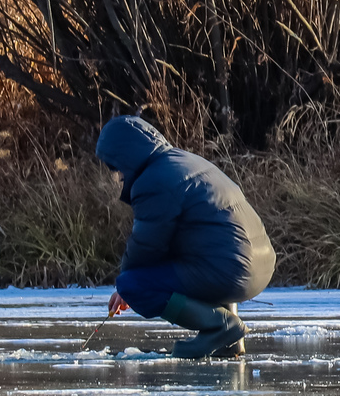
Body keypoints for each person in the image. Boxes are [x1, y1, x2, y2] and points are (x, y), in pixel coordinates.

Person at [94, 114, 276, 359]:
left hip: (232, 271)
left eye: (115, 168)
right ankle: (229, 342)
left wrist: (126, 284)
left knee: (132, 283)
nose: (117, 177)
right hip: (260, 265)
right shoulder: (184, 160)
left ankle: (222, 327)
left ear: (125, 157)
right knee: (196, 254)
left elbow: (147, 244)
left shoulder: (153, 181)